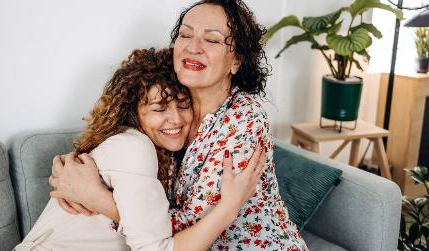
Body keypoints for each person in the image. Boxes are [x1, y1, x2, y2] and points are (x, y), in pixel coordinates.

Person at [50, 0, 309, 250]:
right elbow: (113, 144)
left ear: (236, 61)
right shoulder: (167, 105)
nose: (193, 47)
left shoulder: (245, 119)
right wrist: (69, 169)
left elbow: (191, 224)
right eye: (185, 35)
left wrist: (95, 197)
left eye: (212, 39)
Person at [14, 48, 265, 251]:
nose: (176, 119)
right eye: (159, 109)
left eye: (183, 105)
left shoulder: (167, 157)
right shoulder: (134, 147)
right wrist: (229, 208)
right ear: (134, 113)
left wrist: (97, 198)